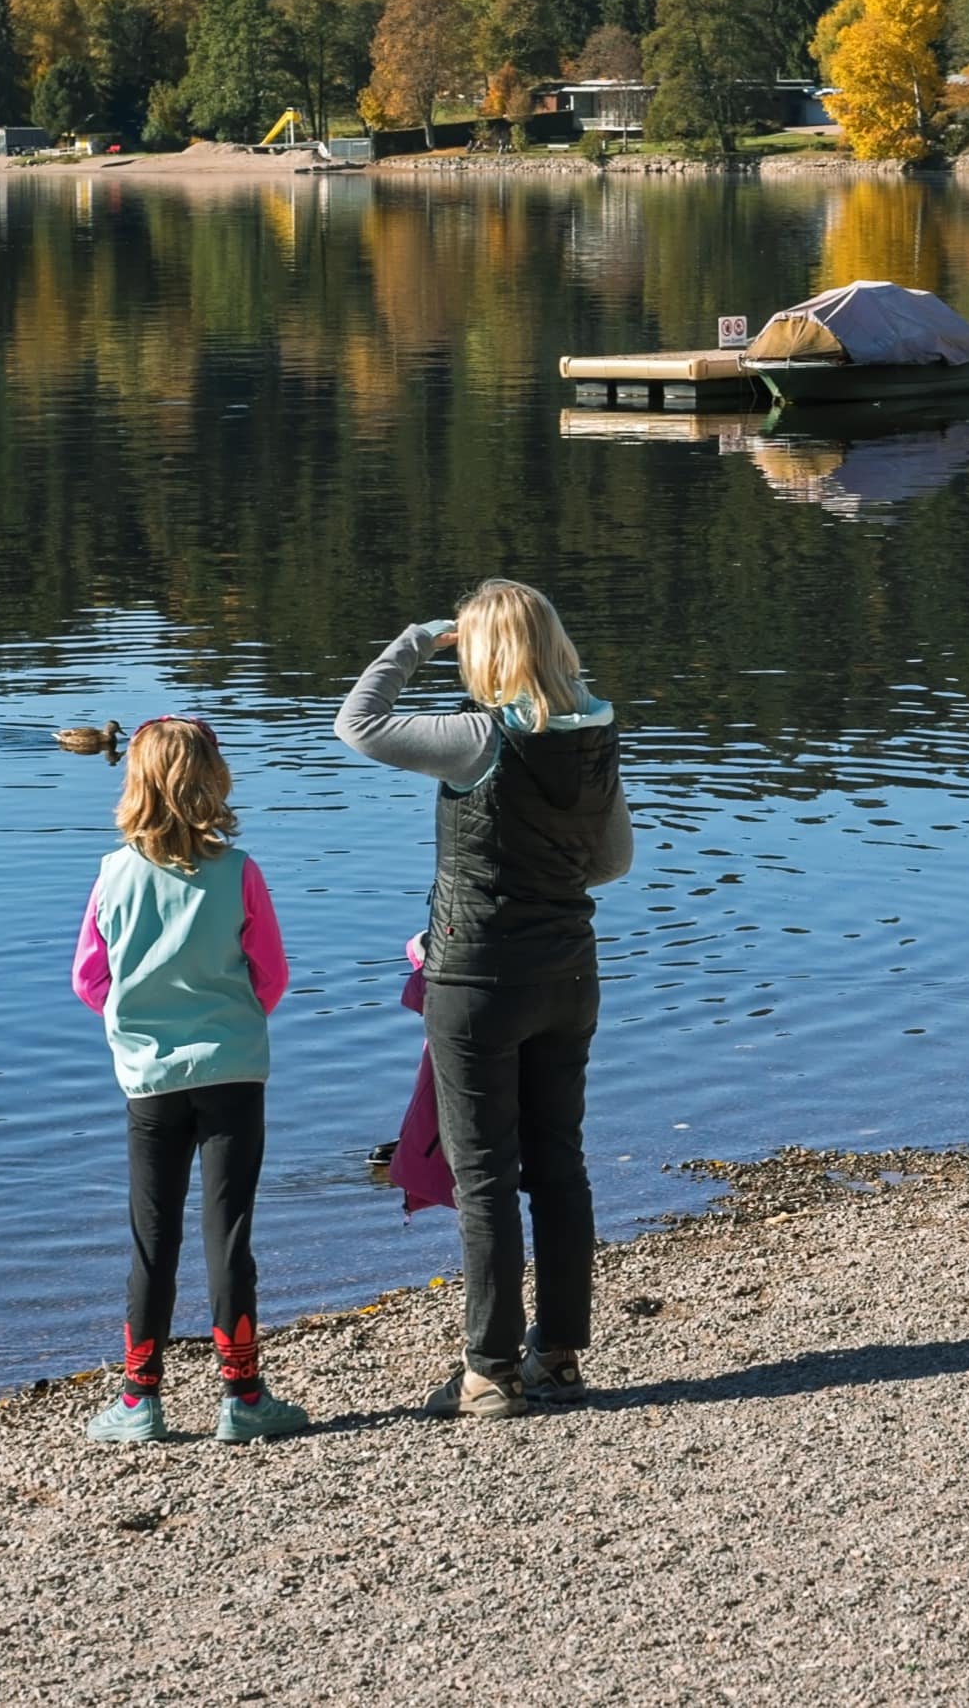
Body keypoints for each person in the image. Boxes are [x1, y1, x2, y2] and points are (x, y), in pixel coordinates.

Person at [336, 580, 632, 1418]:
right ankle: (561, 1359)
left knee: (487, 1178)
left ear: (483, 652)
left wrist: (412, 640)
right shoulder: (596, 732)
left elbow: (354, 724)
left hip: (477, 982)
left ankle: (490, 1371)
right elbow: (611, 863)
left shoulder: (478, 737)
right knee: (560, 1163)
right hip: (570, 974)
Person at [72, 716, 309, 1445]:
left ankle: (140, 1401)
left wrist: (140, 1021)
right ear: (214, 780)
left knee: (153, 1237)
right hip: (234, 1069)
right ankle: (241, 1395)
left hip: (149, 1078)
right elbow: (272, 977)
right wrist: (230, 1018)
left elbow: (89, 980)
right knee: (228, 1232)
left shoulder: (113, 873)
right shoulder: (241, 872)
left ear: (134, 781)